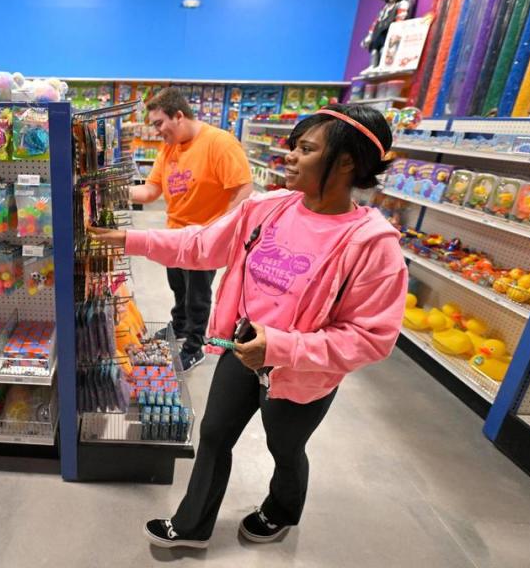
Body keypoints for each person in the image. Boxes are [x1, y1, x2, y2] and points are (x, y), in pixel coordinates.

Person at [91, 104, 408, 549]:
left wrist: (281, 348)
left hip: (302, 372)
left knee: (285, 448)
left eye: (307, 149)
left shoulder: (372, 244)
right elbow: (201, 244)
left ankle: (282, 508)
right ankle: (193, 524)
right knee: (215, 434)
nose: (290, 157)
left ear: (347, 161)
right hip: (242, 348)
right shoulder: (267, 208)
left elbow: (372, 338)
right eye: (293, 146)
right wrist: (132, 239)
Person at [130, 87, 253, 371]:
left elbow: (242, 188)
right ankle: (181, 325)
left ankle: (194, 346)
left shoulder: (219, 143)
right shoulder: (169, 148)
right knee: (178, 287)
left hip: (204, 238)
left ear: (179, 116)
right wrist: (113, 191)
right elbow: (151, 191)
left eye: (160, 123)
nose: (157, 131)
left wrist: (219, 229)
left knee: (198, 295)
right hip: (175, 234)